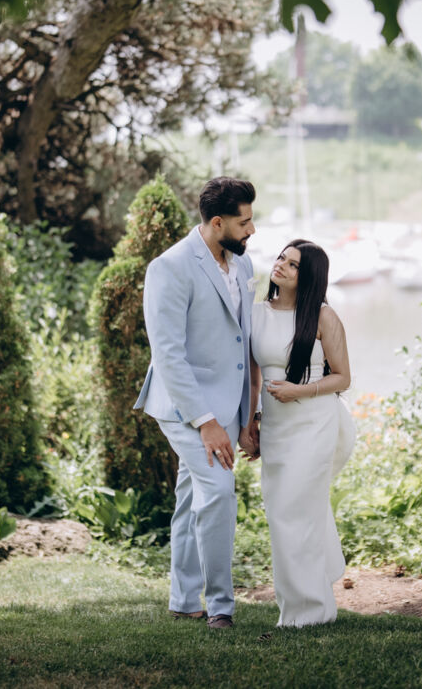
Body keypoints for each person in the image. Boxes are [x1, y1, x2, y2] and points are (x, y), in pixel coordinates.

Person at [135, 176, 257, 630]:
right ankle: (221, 606)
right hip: (185, 408)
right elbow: (168, 354)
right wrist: (206, 422)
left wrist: (249, 414)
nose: (252, 230)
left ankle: (184, 599)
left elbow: (244, 342)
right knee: (219, 493)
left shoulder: (243, 264)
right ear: (217, 222)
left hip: (228, 406)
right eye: (244, 222)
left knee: (191, 500)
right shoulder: (169, 267)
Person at [245, 239, 355, 628]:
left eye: (293, 264)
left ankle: (312, 611)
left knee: (299, 510)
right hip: (276, 426)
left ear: (308, 276)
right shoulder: (256, 314)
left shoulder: (324, 316)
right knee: (282, 515)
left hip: (314, 423)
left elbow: (343, 377)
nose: (281, 265)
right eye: (281, 258)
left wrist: (300, 390)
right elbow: (254, 380)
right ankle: (296, 602)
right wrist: (250, 423)